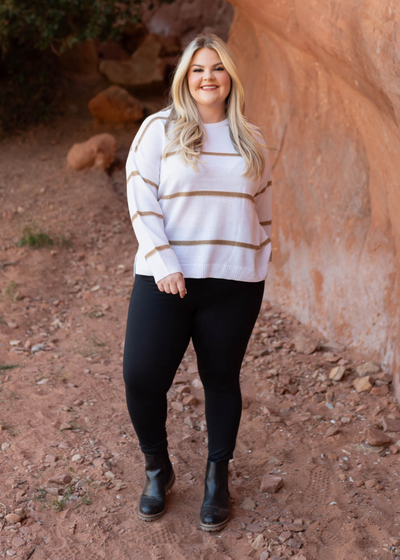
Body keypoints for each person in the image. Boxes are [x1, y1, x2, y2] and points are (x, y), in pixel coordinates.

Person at [122, 32, 274, 532]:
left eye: (217, 68)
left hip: (233, 284)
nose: (208, 77)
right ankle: (157, 467)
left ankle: (217, 477)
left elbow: (264, 212)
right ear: (185, 78)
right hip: (167, 279)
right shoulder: (159, 129)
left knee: (221, 381)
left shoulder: (251, 138)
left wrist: (257, 263)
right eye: (197, 69)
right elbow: (141, 197)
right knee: (142, 376)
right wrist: (163, 261)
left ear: (230, 77)